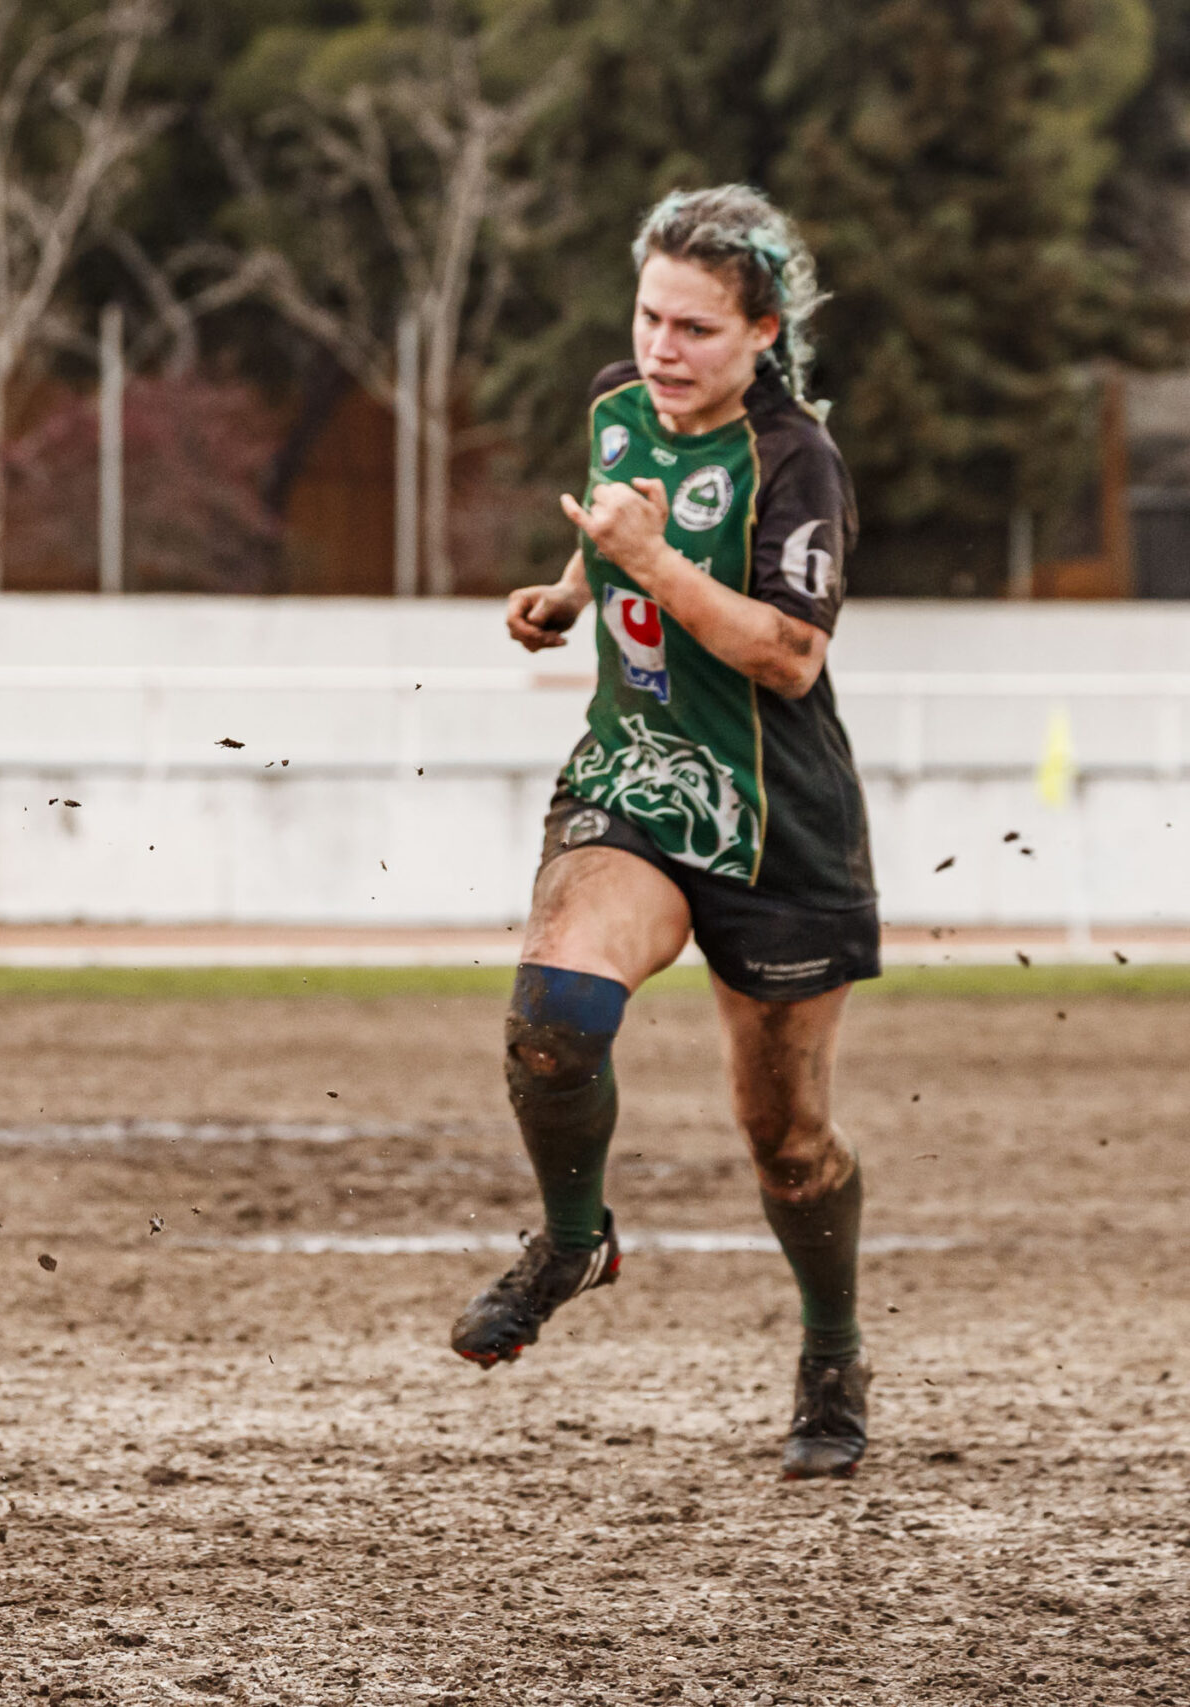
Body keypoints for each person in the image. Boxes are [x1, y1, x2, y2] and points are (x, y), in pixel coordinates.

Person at [448, 186, 878, 1480]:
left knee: (785, 1138)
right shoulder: (618, 408)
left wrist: (655, 564)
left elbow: (792, 658)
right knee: (552, 1020)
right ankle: (574, 1241)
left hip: (780, 823)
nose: (661, 347)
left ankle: (832, 1351)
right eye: (649, 316)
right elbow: (627, 520)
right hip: (638, 778)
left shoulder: (799, 461)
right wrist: (571, 592)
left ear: (761, 334)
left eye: (694, 328)